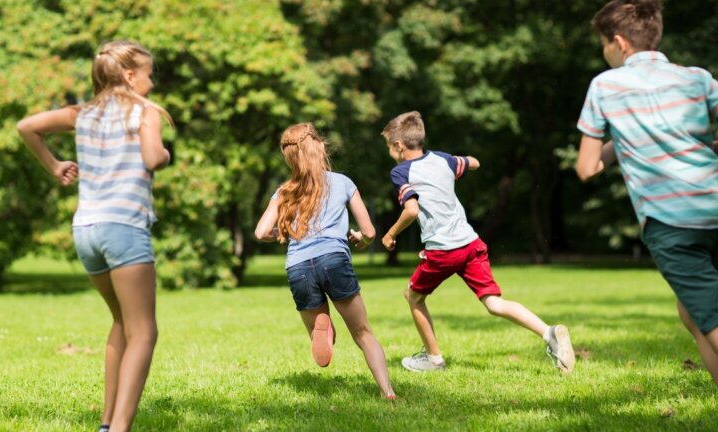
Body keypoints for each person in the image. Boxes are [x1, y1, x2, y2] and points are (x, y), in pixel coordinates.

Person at [17, 40, 172, 431]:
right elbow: (154, 158)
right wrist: (165, 153)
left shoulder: (82, 113)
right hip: (123, 228)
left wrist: (54, 166)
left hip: (86, 230)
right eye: (149, 75)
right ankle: (119, 428)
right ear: (129, 76)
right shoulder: (144, 111)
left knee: (122, 322)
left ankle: (106, 423)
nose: (152, 84)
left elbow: (27, 127)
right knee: (144, 332)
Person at [576, 0, 718, 385]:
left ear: (619, 43)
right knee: (691, 313)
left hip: (672, 221)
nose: (604, 52)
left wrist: (621, 140)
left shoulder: (605, 86)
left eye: (603, 44)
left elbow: (587, 168)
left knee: (712, 318)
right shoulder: (697, 78)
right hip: (714, 203)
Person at [380, 111, 575, 373]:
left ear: (398, 146)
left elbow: (412, 210)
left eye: (388, 147)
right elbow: (474, 163)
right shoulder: (443, 159)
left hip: (444, 250)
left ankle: (434, 359)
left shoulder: (401, 172)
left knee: (413, 297)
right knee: (495, 303)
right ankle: (548, 332)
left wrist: (390, 234)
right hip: (471, 244)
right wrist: (459, 163)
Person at [255, 123, 395, 399]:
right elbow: (369, 232)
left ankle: (324, 329)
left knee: (323, 334)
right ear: (319, 147)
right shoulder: (342, 182)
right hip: (334, 259)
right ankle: (387, 391)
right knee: (363, 333)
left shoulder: (285, 190)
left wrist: (282, 233)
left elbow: (261, 232)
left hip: (298, 266)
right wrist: (360, 240)